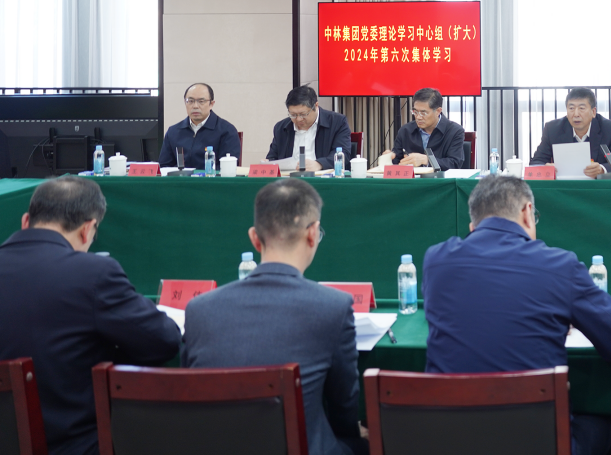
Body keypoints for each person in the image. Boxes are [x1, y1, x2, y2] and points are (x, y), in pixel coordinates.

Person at [422, 174, 611, 455]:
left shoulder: (435, 260)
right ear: (528, 212)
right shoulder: (560, 265)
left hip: (452, 441)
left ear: (473, 226)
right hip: (538, 443)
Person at [183, 179, 365, 455]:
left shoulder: (198, 309)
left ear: (254, 238)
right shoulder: (333, 306)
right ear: (312, 234)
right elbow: (344, 407)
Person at [0, 176, 179, 455]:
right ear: (87, 230)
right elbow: (164, 340)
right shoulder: (92, 273)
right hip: (74, 445)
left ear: (26, 221)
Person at [529, 88, 611, 176]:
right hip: (564, 186)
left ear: (593, 112)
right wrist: (546, 168)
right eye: (571, 108)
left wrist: (602, 169)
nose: (576, 114)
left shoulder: (610, 129)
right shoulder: (552, 129)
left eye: (581, 108)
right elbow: (536, 162)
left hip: (597, 186)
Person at [265, 85, 353, 170]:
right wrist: (267, 163)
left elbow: (343, 154)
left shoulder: (337, 122)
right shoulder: (281, 128)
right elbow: (273, 158)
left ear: (316, 106)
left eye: (303, 114)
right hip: (289, 178)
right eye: (293, 115)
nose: (298, 119)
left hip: (322, 176)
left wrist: (319, 164)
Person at [157, 82, 242, 170]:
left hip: (210, 178)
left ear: (211, 104)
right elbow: (164, 166)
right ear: (185, 102)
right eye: (190, 101)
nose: (195, 106)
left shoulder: (227, 131)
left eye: (201, 101)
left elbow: (227, 168)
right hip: (181, 178)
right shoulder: (173, 131)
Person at [383, 87, 465, 169]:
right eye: (415, 112)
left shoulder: (455, 131)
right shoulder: (405, 130)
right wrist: (389, 158)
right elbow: (397, 161)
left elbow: (455, 163)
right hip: (413, 177)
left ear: (438, 111)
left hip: (441, 177)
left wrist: (427, 160)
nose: (418, 117)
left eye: (423, 113)